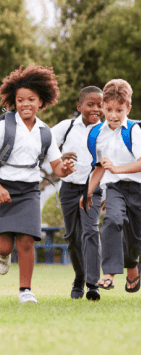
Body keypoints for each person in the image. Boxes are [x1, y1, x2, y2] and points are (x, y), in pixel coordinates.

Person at [0, 63, 75, 303]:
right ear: (14, 101)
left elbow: (56, 168)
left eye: (30, 99)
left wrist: (65, 168)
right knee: (3, 246)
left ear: (41, 102)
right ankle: (3, 255)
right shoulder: (3, 126)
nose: (25, 104)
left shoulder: (45, 132)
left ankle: (25, 291)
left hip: (29, 191)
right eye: (20, 100)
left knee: (25, 240)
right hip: (3, 187)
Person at [80, 79, 141, 294]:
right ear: (102, 107)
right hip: (115, 189)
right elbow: (100, 167)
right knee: (112, 220)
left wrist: (116, 168)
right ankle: (109, 274)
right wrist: (88, 191)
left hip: (139, 189)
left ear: (128, 108)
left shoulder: (134, 131)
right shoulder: (98, 134)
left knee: (133, 236)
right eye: (109, 109)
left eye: (119, 110)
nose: (113, 115)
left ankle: (132, 266)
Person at [52, 86, 104, 301]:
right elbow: (46, 146)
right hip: (68, 189)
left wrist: (103, 193)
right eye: (90, 104)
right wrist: (60, 156)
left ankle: (93, 284)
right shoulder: (67, 126)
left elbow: (107, 165)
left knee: (90, 232)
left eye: (100, 105)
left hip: (93, 188)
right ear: (79, 106)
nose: (95, 109)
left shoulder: (106, 131)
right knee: (73, 238)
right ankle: (79, 277)